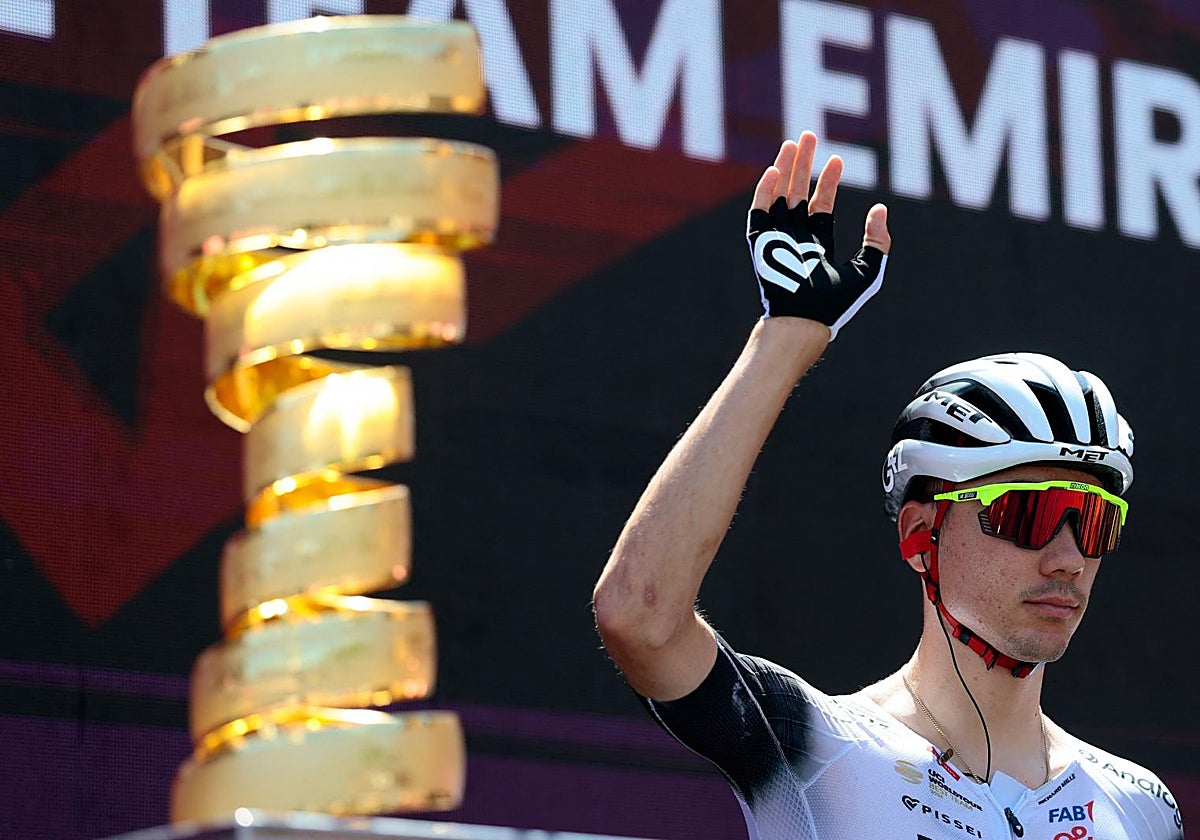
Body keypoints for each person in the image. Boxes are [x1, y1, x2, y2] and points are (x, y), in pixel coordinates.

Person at [592, 131, 1184, 839]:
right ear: (918, 535)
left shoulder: (1142, 806)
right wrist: (787, 337)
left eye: (1092, 522)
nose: (1067, 559)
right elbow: (639, 614)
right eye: (1028, 515)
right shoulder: (817, 748)